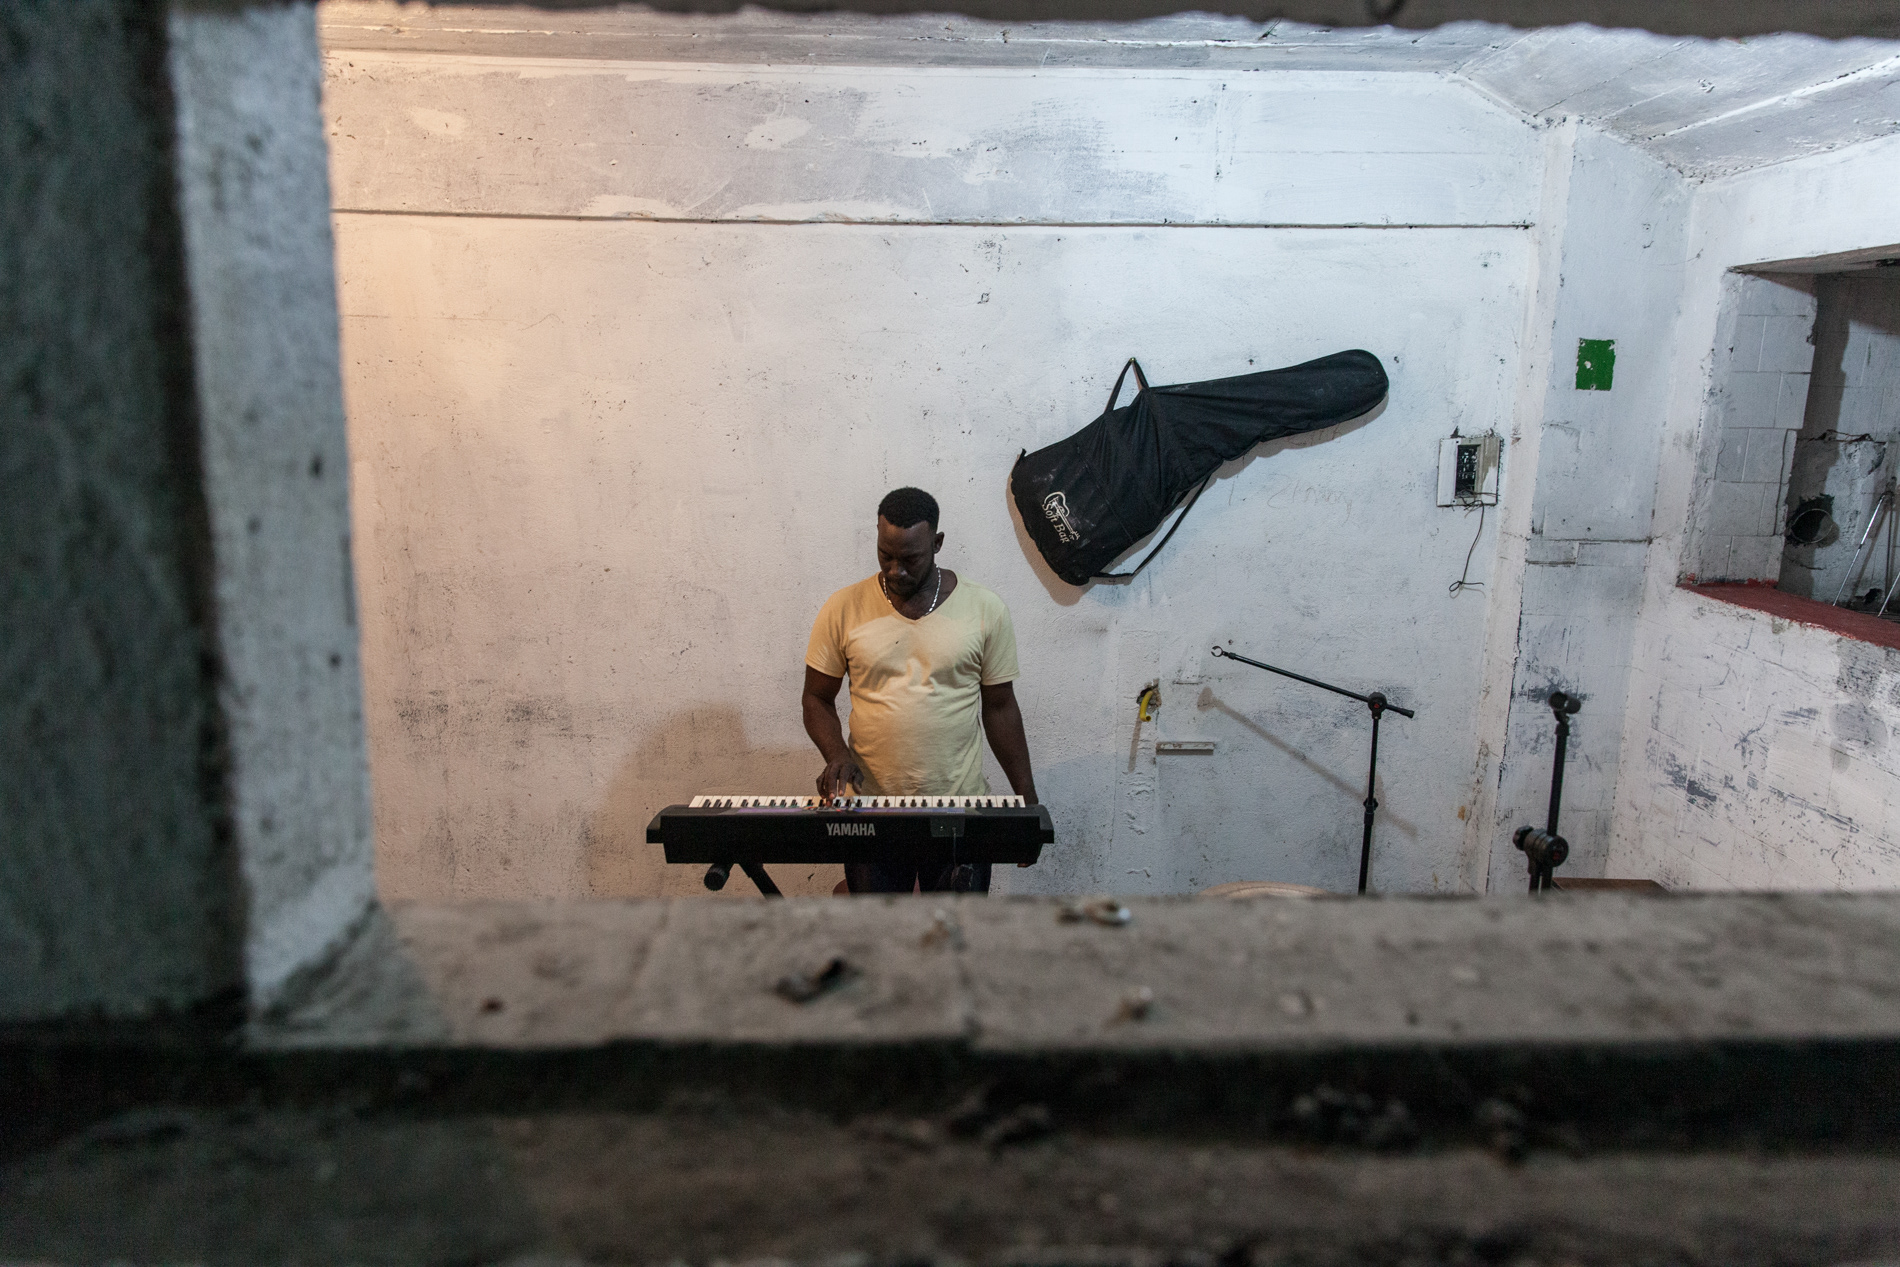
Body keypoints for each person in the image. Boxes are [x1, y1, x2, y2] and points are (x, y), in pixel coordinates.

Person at [802, 487, 1039, 894]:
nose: (895, 571)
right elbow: (816, 698)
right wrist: (837, 754)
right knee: (879, 941)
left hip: (960, 810)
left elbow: (1000, 709)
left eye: (910, 559)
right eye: (885, 555)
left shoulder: (984, 608)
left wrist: (1027, 804)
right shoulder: (843, 607)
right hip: (872, 810)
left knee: (951, 941)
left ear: (937, 544)